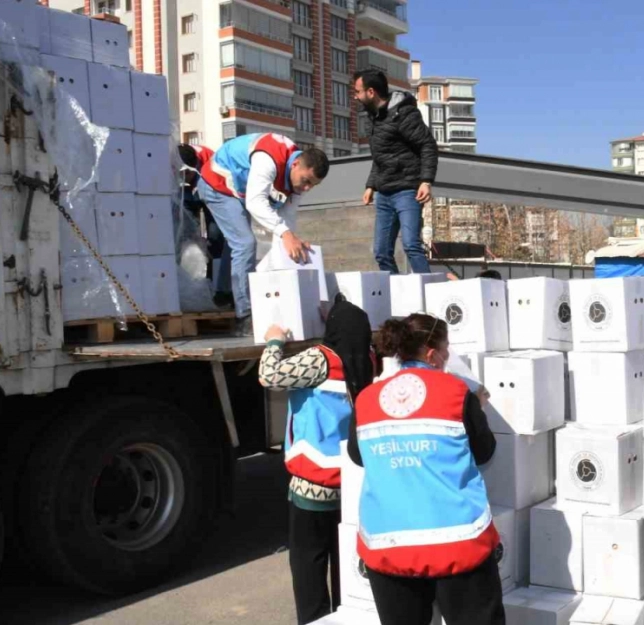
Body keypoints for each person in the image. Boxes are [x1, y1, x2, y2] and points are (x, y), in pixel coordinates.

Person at [346, 313, 504, 625]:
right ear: (431, 354)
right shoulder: (457, 394)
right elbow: (485, 452)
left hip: (387, 546)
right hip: (457, 542)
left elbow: (357, 455)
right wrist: (477, 410)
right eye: (446, 350)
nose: (448, 358)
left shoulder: (366, 399)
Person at [258, 295, 374, 624]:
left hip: (312, 485)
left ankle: (314, 620)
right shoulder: (366, 357)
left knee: (309, 563)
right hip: (349, 482)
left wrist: (274, 340)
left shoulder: (320, 359)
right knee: (343, 562)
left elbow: (269, 376)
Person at [197, 133, 329, 335]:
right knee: (245, 243)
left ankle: (223, 295)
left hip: (239, 191)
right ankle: (245, 315)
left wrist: (289, 247)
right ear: (295, 165)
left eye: (313, 185)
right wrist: (286, 235)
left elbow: (286, 220)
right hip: (216, 184)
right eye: (306, 181)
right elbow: (255, 203)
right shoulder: (269, 159)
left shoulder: (297, 179)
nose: (307, 188)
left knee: (239, 241)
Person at [354, 69, 439, 275]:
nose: (355, 96)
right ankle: (396, 293)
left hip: (407, 190)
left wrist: (426, 180)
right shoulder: (372, 118)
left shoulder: (404, 114)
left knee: (411, 245)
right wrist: (371, 185)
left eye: (357, 91)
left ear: (371, 92)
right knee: (381, 252)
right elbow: (381, 155)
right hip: (384, 192)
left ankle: (429, 293)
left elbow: (428, 145)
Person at [178, 143, 229, 306]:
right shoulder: (175, 161)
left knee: (215, 236)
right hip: (185, 193)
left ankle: (216, 287)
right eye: (182, 174)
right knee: (185, 234)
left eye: (188, 174)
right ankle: (188, 281)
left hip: (212, 189)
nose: (185, 177)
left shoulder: (212, 164)